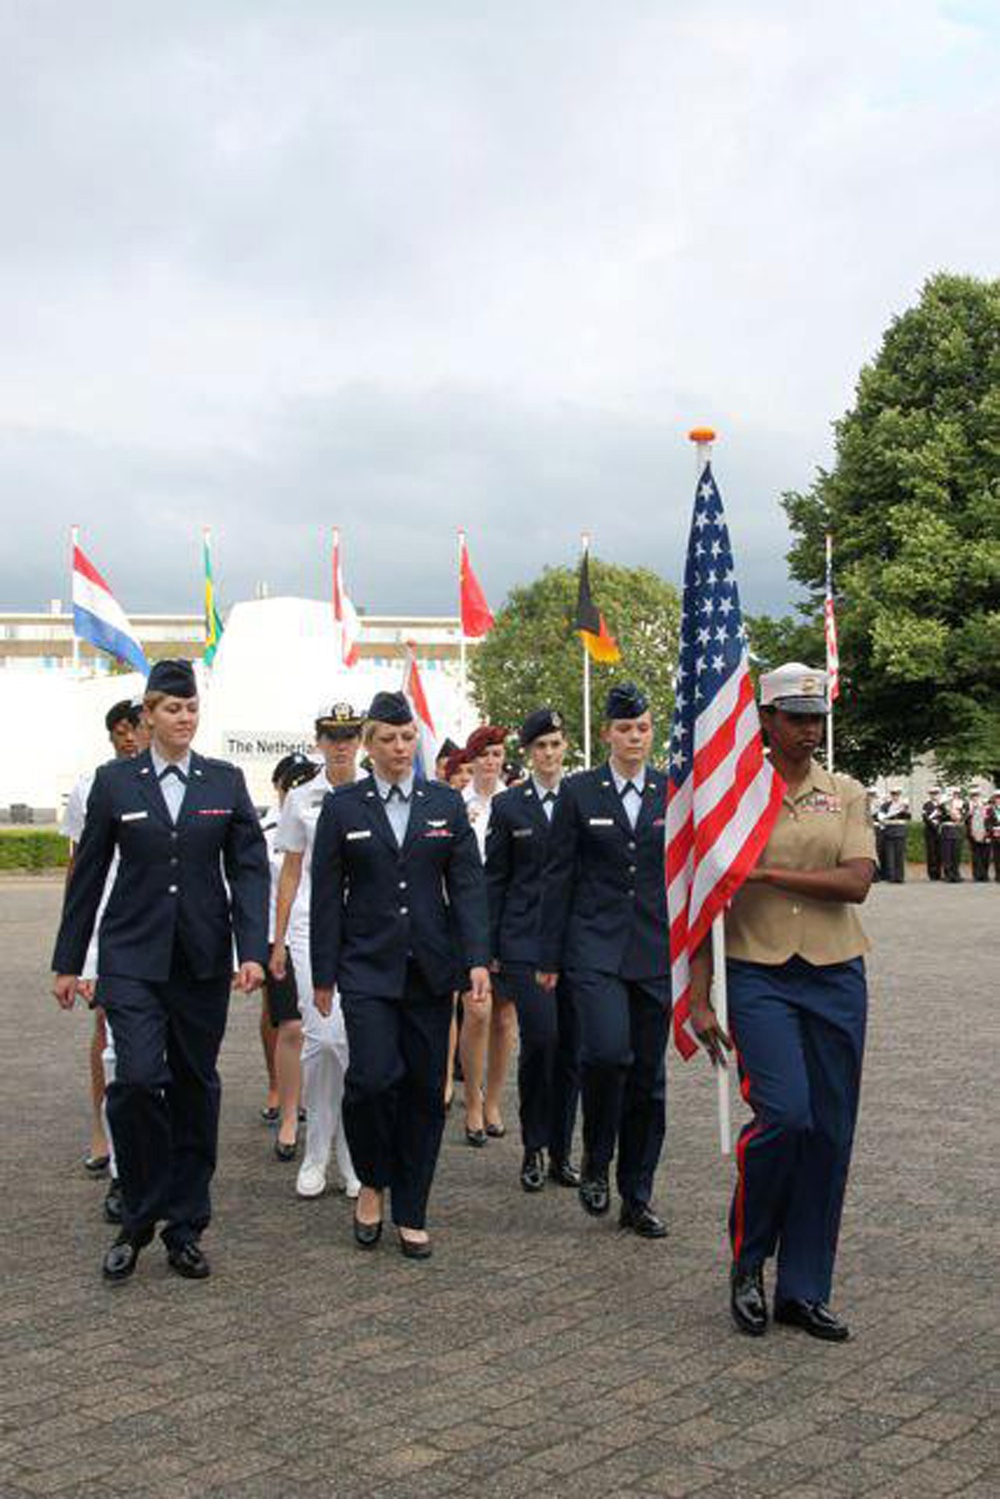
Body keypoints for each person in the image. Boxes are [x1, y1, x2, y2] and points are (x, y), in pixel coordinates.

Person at [52, 658, 268, 1283]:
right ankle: (138, 1212)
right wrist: (69, 963)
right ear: (147, 716)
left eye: (192, 708)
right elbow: (87, 878)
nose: (184, 718)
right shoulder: (114, 783)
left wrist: (251, 949)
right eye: (172, 708)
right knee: (140, 1080)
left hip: (201, 963)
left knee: (196, 1086)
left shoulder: (224, 783)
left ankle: (185, 1225)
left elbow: (249, 871)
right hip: (132, 960)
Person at [689, 663, 875, 1343]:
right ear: (763, 720)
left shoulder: (844, 792)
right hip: (758, 972)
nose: (808, 729)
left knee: (829, 1132)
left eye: (815, 717)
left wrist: (762, 872)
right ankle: (749, 1258)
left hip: (834, 973)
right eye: (794, 717)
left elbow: (856, 881)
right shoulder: (734, 795)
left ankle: (804, 1287)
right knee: (786, 1116)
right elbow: (704, 900)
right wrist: (700, 994)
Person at [310, 690, 490, 1259]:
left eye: (407, 738)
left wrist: (477, 959)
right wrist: (322, 975)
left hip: (429, 969)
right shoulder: (345, 808)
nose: (399, 748)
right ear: (368, 745)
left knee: (421, 1089)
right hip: (366, 967)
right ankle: (373, 1181)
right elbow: (326, 897)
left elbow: (466, 886)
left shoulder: (444, 803)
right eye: (387, 739)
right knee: (371, 1081)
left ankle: (411, 1205)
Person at [538, 683, 670, 1240]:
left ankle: (637, 1194)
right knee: (608, 1054)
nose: (634, 737)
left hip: (655, 949)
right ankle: (596, 1157)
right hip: (592, 947)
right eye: (624, 729)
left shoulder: (674, 789)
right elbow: (558, 876)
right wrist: (547, 956)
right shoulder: (579, 792)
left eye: (642, 728)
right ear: (608, 734)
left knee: (648, 1078)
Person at [486, 707, 580, 1192]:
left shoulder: (582, 798)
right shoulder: (509, 807)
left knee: (571, 1049)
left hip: (573, 945)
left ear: (565, 748)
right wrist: (489, 946)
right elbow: (495, 879)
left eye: (555, 744)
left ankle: (563, 1151)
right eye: (540, 746)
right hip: (523, 941)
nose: (548, 753)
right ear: (528, 753)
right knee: (541, 1040)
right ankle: (533, 1146)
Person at [270, 705, 363, 1198]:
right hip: (310, 928)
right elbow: (290, 871)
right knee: (322, 1038)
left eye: (349, 734)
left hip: (364, 929)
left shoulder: (374, 791)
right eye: (333, 735)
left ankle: (349, 1156)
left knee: (351, 1045)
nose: (342, 743)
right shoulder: (304, 797)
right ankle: (315, 1154)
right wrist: (279, 938)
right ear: (319, 740)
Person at [61, 698, 143, 1222]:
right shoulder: (93, 785)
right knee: (108, 1037)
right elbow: (80, 870)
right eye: (121, 731)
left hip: (156, 931)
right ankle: (106, 1135)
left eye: (135, 728)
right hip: (108, 930)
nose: (130, 738)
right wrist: (74, 947)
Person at [260, 753, 321, 1160]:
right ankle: (287, 1114)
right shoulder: (264, 834)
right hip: (279, 939)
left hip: (323, 936)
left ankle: (319, 1109)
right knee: (291, 1027)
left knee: (326, 1032)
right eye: (290, 784)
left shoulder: (323, 824)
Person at [459, 724, 516, 1144]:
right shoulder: (456, 804)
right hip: (466, 914)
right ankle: (473, 1100)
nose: (491, 762)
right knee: (476, 1010)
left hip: (507, 917)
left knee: (504, 1017)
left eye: (497, 754)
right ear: (471, 759)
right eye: (484, 754)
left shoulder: (514, 803)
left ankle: (494, 1099)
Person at [878, 787, 910, 883]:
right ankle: (891, 877)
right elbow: (881, 818)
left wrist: (904, 810)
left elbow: (908, 817)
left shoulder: (904, 805)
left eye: (897, 794)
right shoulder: (885, 805)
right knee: (890, 856)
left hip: (900, 831)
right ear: (891, 795)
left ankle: (899, 877)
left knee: (899, 856)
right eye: (893, 794)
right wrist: (891, 814)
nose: (895, 796)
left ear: (900, 795)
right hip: (890, 831)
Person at [940, 789, 966, 882]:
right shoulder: (943, 805)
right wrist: (949, 814)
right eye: (953, 794)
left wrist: (960, 817)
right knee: (947, 854)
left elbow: (965, 815)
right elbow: (940, 817)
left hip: (958, 830)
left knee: (956, 854)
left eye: (956, 794)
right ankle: (948, 874)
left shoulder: (962, 804)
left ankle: (956, 873)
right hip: (947, 830)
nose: (955, 796)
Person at [921, 786, 944, 881]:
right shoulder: (926, 805)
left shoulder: (942, 805)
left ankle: (939, 873)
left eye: (936, 794)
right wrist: (934, 825)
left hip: (941, 831)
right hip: (930, 832)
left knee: (940, 853)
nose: (934, 796)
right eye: (932, 794)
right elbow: (925, 818)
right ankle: (932, 874)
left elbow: (945, 816)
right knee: (931, 853)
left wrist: (940, 824)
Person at [967, 795, 991, 883]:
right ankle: (977, 875)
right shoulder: (974, 813)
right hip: (976, 837)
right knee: (976, 857)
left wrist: (988, 835)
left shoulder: (989, 813)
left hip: (987, 837)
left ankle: (985, 875)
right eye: (983, 804)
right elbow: (970, 824)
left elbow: (990, 825)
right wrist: (973, 833)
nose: (985, 805)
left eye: (986, 804)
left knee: (986, 857)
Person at [987, 793, 1000, 883]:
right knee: (997, 856)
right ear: (994, 800)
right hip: (996, 835)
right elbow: (987, 823)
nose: (998, 800)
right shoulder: (990, 810)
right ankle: (998, 876)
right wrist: (993, 829)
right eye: (997, 798)